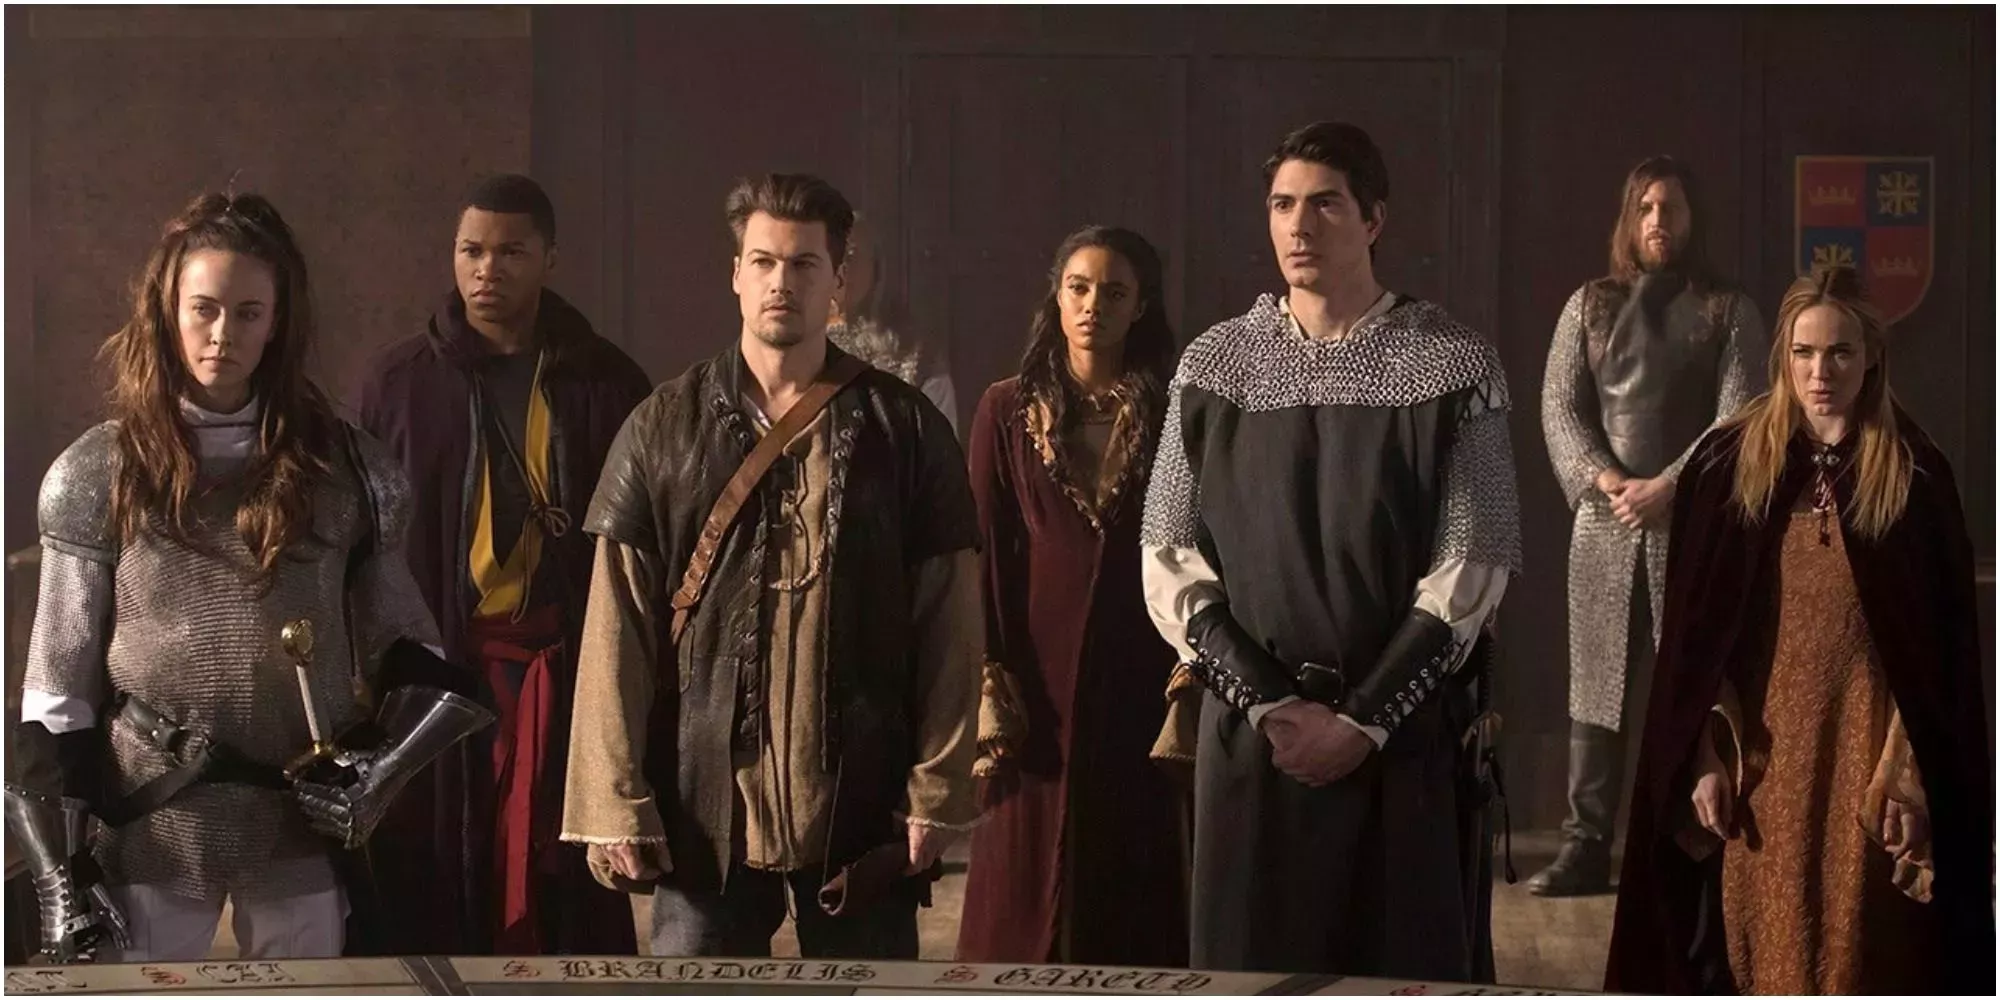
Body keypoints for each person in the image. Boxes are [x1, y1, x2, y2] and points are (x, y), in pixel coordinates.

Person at [6, 193, 490, 963]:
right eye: (203, 309)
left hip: (294, 824)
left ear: (277, 323)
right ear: (168, 312)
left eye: (248, 312)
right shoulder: (102, 472)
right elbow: (56, 697)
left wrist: (378, 776)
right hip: (154, 815)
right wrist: (61, 881)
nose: (223, 333)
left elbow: (413, 655)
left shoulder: (344, 471)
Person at [560, 173, 982, 959]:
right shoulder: (663, 425)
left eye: (803, 264)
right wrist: (615, 798)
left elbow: (949, 625)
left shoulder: (905, 428)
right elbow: (617, 626)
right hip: (703, 801)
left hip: (861, 798)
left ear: (837, 280)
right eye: (763, 262)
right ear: (736, 274)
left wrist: (936, 788)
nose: (780, 282)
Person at [1139, 121, 1520, 978]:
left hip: (1399, 747)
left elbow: (1471, 567)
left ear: (1374, 219)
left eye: (1325, 205)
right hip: (1255, 745)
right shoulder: (1213, 367)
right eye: (1282, 205)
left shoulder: (1452, 365)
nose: (1299, 226)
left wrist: (1362, 721)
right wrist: (1272, 707)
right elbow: (1170, 560)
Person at [1605, 266, 1994, 995]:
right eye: (1804, 353)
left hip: (1867, 753)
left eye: (1840, 352)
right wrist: (1703, 756)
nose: (1821, 373)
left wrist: (1914, 780)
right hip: (1762, 758)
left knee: (1859, 952)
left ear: (1871, 356)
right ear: (1782, 356)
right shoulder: (1728, 465)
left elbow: (1941, 663)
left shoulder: (1914, 475)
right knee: (1760, 944)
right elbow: (1694, 645)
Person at [357, 173, 651, 956]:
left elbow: (644, 547)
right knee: (439, 887)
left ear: (550, 259)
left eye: (511, 252)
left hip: (570, 674)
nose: (487, 270)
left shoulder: (608, 383)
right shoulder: (398, 385)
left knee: (566, 894)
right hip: (435, 679)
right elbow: (365, 546)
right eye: (471, 251)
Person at [1531, 156, 1767, 896]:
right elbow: (1561, 408)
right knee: (1595, 689)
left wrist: (1671, 485)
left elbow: (1739, 418)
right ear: (1629, 218)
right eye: (1647, 208)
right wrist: (1607, 480)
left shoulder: (1729, 311)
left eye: (1672, 208)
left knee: (1692, 679)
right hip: (1606, 522)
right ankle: (1584, 844)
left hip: (1689, 526)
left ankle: (1680, 837)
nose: (1659, 221)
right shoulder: (1589, 306)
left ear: (1694, 219)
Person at [955, 225, 1188, 967]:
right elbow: (985, 551)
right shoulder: (1006, 409)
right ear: (1056, 297)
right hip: (1035, 678)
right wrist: (993, 676)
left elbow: (1195, 543)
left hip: (1138, 666)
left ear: (1140, 306)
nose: (1093, 306)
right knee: (1020, 883)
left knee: (1131, 872)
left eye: (1114, 293)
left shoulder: (1174, 411)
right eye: (1079, 288)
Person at [826, 212, 961, 435]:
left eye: (851, 256)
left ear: (875, 267)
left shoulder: (914, 355)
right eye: (831, 256)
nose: (841, 269)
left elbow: (942, 442)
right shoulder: (793, 345)